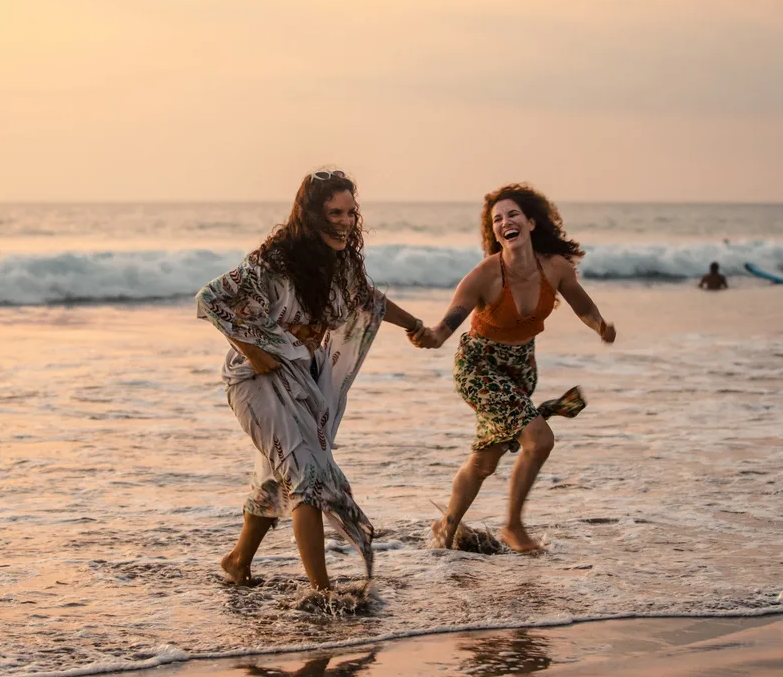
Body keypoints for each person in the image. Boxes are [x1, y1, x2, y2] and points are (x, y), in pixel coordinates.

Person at [196, 170, 424, 590]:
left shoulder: (338, 263)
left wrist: (415, 325)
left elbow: (367, 300)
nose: (345, 222)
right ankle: (323, 591)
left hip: (303, 378)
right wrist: (253, 351)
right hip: (254, 379)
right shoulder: (272, 262)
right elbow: (210, 299)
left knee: (273, 477)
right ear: (310, 215)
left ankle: (237, 560)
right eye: (334, 213)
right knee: (305, 476)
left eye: (351, 213)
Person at [410, 184, 616, 552]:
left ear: (532, 222)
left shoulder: (555, 269)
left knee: (484, 460)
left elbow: (584, 308)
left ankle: (446, 526)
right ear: (494, 232)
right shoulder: (484, 277)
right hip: (479, 368)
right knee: (540, 440)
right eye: (497, 219)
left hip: (520, 370)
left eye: (513, 214)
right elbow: (444, 328)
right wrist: (429, 335)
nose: (505, 221)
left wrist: (600, 326)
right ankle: (514, 527)